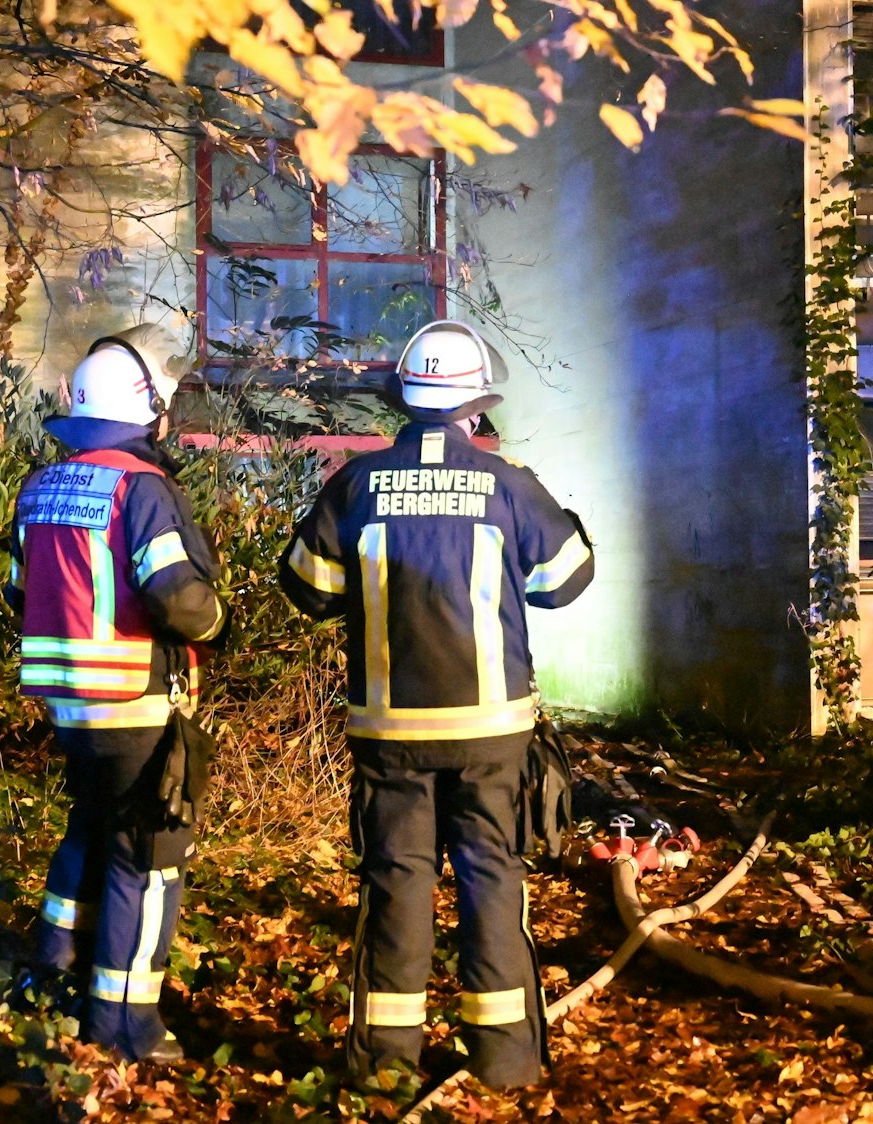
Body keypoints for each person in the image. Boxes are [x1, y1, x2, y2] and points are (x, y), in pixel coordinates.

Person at [279, 319, 594, 1088]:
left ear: (404, 404)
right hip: (491, 731)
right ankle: (507, 1060)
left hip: (390, 729)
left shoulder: (356, 484)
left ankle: (386, 1062)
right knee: (492, 873)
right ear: (476, 409)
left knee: (397, 877)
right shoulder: (510, 482)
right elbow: (565, 581)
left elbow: (307, 588)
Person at [7, 324, 227, 1061]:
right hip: (136, 703)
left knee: (89, 830)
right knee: (150, 860)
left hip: (70, 705)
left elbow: (19, 591)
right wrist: (220, 615)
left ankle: (52, 967)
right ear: (148, 410)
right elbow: (177, 598)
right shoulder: (143, 488)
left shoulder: (39, 487)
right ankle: (123, 1023)